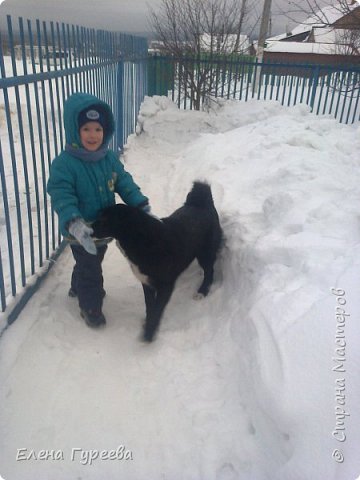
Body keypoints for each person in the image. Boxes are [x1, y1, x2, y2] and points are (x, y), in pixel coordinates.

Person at [47, 92, 150, 328]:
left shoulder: (108, 158)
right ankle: (90, 306)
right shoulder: (64, 164)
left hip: (103, 227)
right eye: (86, 130)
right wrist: (74, 222)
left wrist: (139, 202)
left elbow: (123, 181)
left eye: (98, 130)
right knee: (91, 268)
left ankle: (77, 284)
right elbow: (62, 195)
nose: (93, 135)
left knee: (90, 262)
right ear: (74, 130)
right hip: (79, 229)